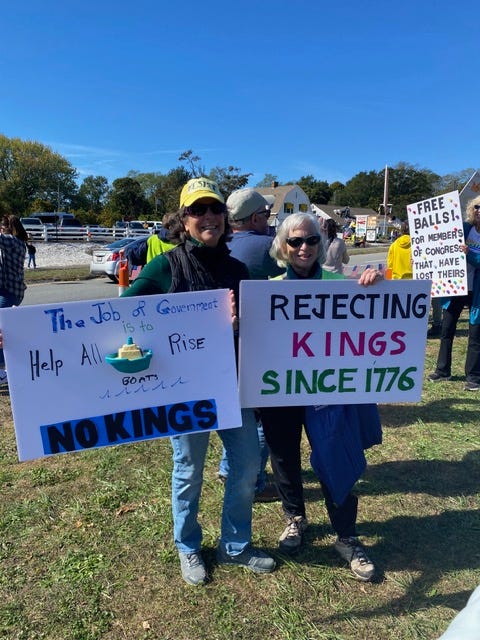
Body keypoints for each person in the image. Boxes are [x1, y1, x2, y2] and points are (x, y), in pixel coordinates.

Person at [121, 177, 276, 585]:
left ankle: (235, 545)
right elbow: (118, 315)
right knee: (189, 470)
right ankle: (188, 545)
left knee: (247, 466)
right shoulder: (165, 266)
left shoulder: (237, 269)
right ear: (183, 220)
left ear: (225, 216)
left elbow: (260, 324)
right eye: (197, 210)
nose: (208, 217)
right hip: (186, 391)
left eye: (215, 208)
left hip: (232, 386)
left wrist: (238, 325)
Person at [260, 212, 384, 582]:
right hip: (281, 390)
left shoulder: (340, 284)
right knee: (284, 456)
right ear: (283, 246)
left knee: (334, 456)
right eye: (295, 241)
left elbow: (372, 322)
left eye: (311, 240)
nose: (304, 247)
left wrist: (375, 287)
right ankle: (295, 517)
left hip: (327, 390)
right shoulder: (267, 290)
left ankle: (347, 536)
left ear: (321, 242)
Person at [217, 188, 284, 502]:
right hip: (257, 340)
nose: (267, 220)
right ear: (255, 217)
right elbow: (306, 270)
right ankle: (254, 481)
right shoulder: (265, 246)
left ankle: (227, 466)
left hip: (225, 343)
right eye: (266, 215)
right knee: (260, 414)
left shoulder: (221, 245)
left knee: (238, 410)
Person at [428, 195, 480, 390]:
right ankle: (443, 370)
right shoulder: (464, 229)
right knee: (447, 329)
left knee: (476, 335)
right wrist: (423, 256)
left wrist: (469, 254)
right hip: (456, 287)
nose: (479, 210)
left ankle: (473, 377)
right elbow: (441, 244)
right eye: (477, 206)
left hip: (477, 293)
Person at [0, 214, 28, 382]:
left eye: (2, 228)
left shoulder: (12, 241)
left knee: (2, 330)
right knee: (4, 330)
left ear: (8, 228)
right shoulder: (18, 242)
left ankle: (2, 370)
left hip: (9, 292)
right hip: (10, 291)